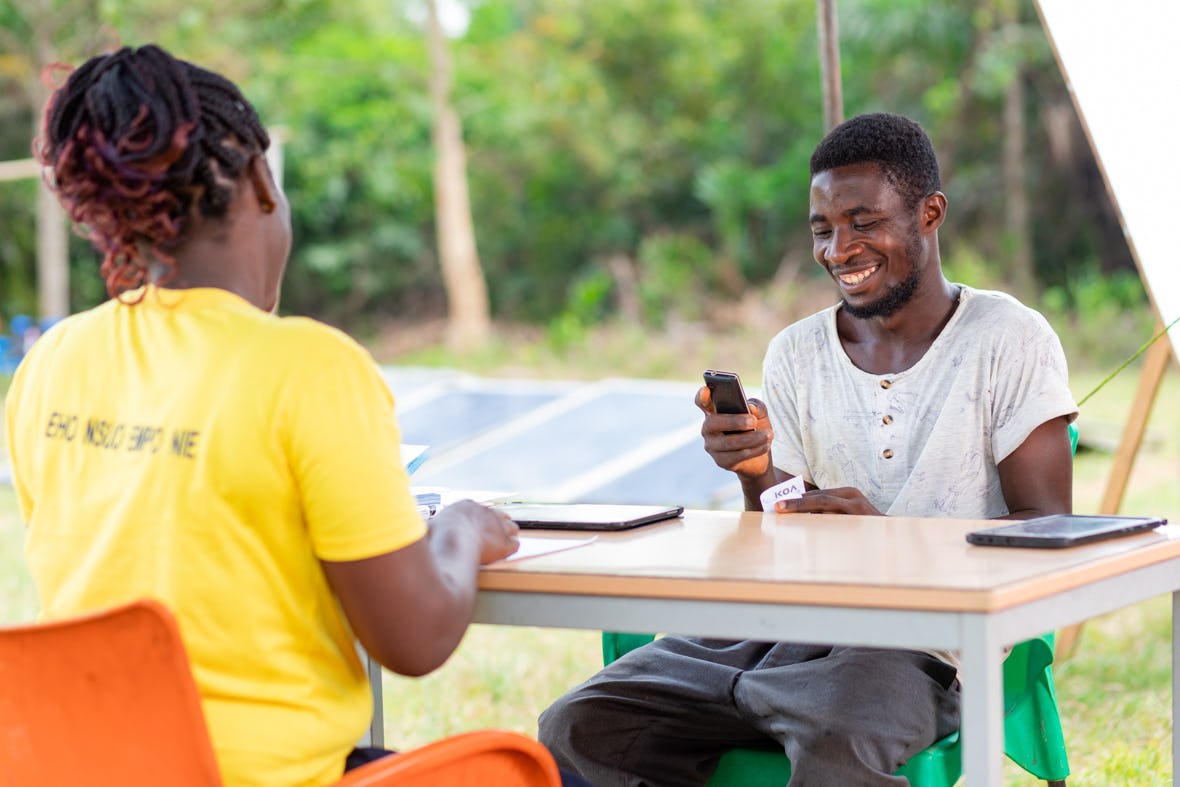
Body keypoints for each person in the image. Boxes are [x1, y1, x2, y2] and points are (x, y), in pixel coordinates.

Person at [6, 44, 538, 787]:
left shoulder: (52, 362)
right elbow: (414, 640)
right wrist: (460, 530)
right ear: (261, 183)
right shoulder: (311, 366)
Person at [538, 112, 1078, 785]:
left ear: (931, 213)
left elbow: (1047, 533)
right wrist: (755, 469)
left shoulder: (1008, 338)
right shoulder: (796, 352)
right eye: (823, 229)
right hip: (768, 627)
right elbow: (778, 528)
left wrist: (888, 542)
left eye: (863, 222)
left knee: (838, 742)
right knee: (581, 725)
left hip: (917, 640)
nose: (839, 250)